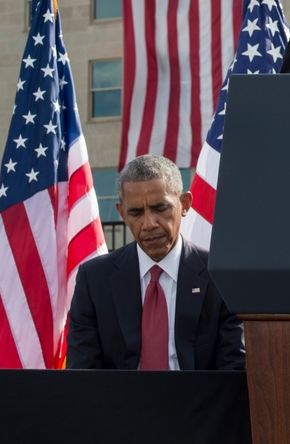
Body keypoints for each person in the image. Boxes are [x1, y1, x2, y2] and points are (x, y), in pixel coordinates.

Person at [67, 154, 245, 371]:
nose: (149, 224)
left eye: (160, 208)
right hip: (119, 404)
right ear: (122, 213)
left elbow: (234, 371)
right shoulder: (94, 280)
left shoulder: (219, 278)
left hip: (200, 404)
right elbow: (82, 374)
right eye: (136, 212)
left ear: (185, 204)